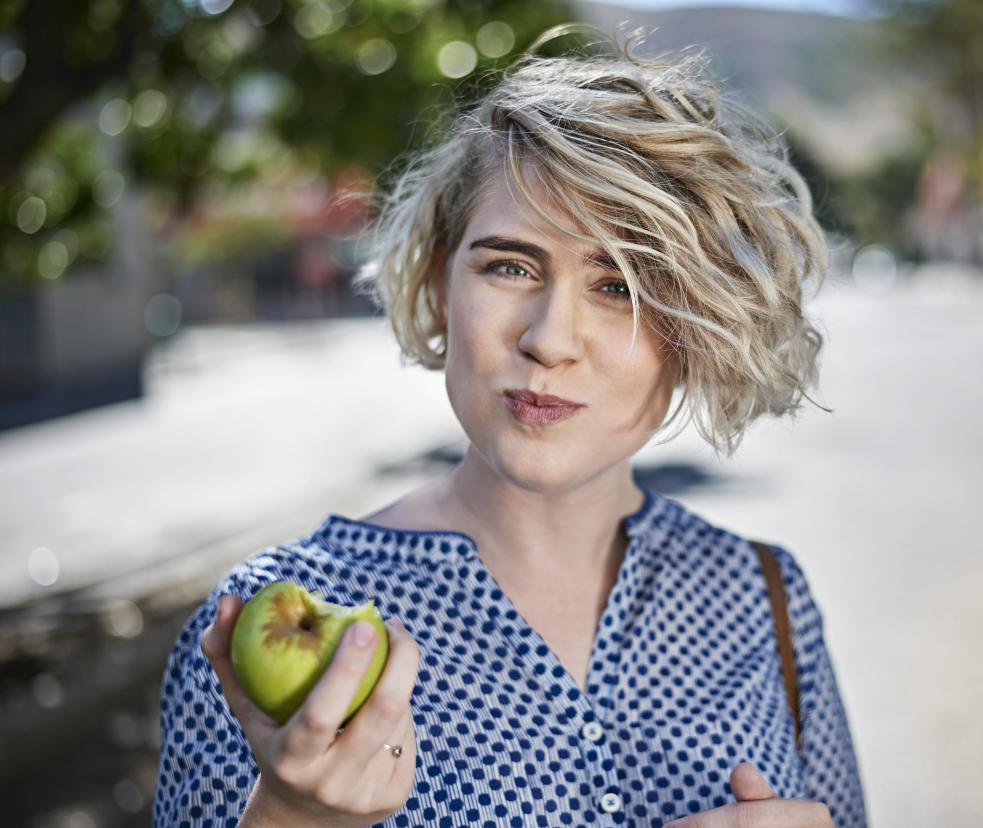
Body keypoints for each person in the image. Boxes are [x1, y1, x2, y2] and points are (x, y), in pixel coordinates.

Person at [153, 24, 867, 828]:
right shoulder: (272, 619)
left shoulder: (762, 597)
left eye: (621, 285)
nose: (549, 340)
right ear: (438, 281)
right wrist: (289, 816)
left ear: (695, 325)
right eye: (510, 266)